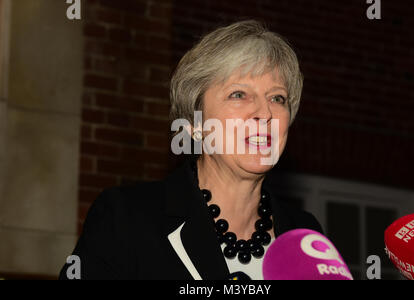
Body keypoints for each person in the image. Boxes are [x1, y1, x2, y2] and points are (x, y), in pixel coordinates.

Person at [59, 20, 322, 280]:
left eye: (278, 98)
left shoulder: (306, 236)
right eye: (239, 94)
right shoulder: (125, 219)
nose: (265, 112)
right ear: (195, 124)